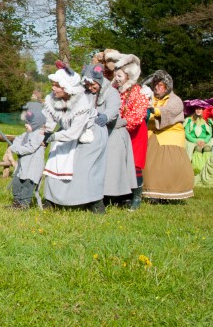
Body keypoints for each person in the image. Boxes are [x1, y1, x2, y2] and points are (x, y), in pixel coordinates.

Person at [42, 62, 108, 213]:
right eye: (53, 84)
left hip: (90, 134)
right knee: (54, 159)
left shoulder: (81, 102)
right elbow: (50, 121)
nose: (53, 88)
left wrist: (51, 137)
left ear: (67, 87)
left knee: (85, 169)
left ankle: (95, 203)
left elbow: (74, 133)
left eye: (57, 85)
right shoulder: (52, 99)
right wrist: (45, 134)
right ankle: (51, 200)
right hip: (65, 132)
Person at [83, 63, 136, 204]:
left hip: (113, 131)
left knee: (113, 166)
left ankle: (120, 196)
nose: (90, 87)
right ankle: (96, 195)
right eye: (88, 85)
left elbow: (113, 108)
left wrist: (106, 116)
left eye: (93, 84)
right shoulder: (86, 93)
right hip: (95, 133)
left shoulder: (110, 92)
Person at [141, 70, 194, 201]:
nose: (156, 88)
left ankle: (171, 192)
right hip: (152, 134)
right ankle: (152, 192)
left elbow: (170, 111)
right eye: (155, 85)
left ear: (167, 86)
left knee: (169, 164)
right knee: (149, 163)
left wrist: (154, 110)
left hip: (171, 134)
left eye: (160, 85)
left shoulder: (175, 99)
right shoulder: (151, 98)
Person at [107, 51, 150, 209]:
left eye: (120, 76)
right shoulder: (113, 90)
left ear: (128, 76)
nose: (116, 79)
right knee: (118, 162)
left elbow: (138, 115)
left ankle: (136, 198)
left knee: (135, 164)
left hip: (134, 134)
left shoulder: (138, 92)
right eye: (116, 75)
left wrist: (122, 122)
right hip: (117, 132)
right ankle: (120, 196)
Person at [8, 103, 46, 209]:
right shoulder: (28, 133)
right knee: (17, 183)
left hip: (32, 167)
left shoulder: (39, 135)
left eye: (28, 123)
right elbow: (18, 139)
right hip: (23, 166)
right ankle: (17, 202)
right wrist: (15, 145)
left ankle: (24, 204)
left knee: (27, 185)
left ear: (35, 124)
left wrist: (15, 148)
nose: (25, 125)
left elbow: (30, 148)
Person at [183, 99, 213, 172]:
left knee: (208, 148)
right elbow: (187, 133)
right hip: (192, 140)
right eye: (197, 109)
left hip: (204, 141)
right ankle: (196, 168)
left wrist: (205, 141)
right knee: (197, 148)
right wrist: (196, 141)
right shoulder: (189, 120)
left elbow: (209, 134)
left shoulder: (207, 120)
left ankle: (207, 168)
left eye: (200, 109)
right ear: (194, 110)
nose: (198, 110)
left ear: (203, 110)